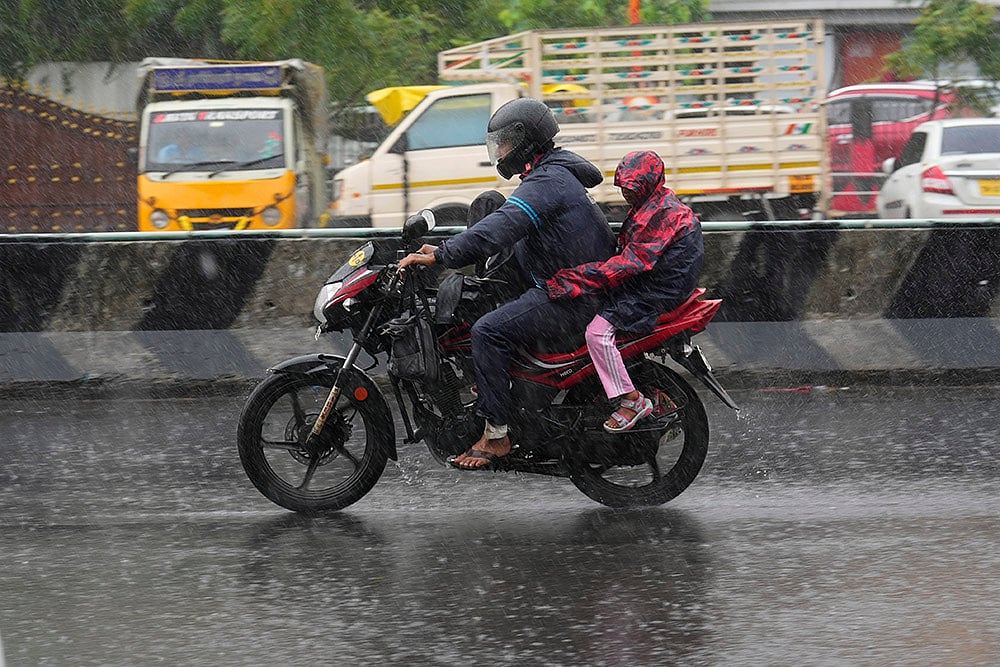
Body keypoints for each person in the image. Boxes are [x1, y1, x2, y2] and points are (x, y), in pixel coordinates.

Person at [398, 98, 616, 470]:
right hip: (566, 283)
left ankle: (496, 434)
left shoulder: (548, 182)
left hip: (571, 297)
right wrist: (447, 249)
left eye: (504, 143)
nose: (500, 152)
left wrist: (441, 255)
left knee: (488, 332)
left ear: (526, 142)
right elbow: (499, 220)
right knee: (488, 204)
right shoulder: (551, 174)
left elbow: (504, 226)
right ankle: (493, 384)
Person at [546, 150, 704, 432]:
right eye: (624, 188)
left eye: (632, 188)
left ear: (647, 183)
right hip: (655, 283)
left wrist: (574, 279)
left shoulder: (660, 214)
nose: (626, 194)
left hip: (656, 291)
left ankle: (632, 400)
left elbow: (630, 264)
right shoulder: (653, 203)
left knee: (597, 333)